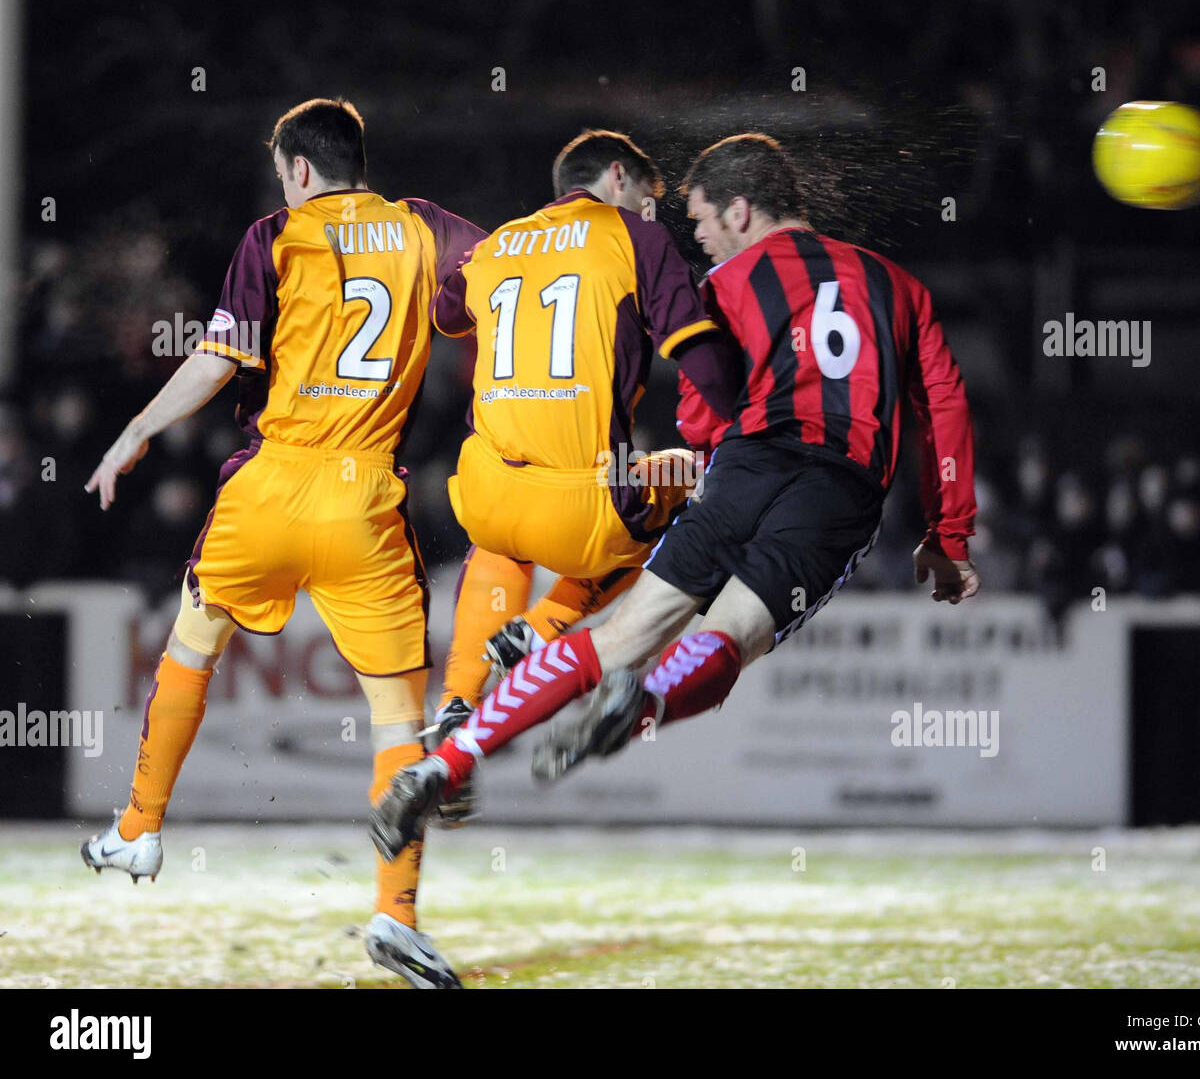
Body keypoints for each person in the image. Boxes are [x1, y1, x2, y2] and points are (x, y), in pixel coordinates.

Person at [371, 132, 978, 862]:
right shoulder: (898, 285)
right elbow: (942, 398)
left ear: (741, 210)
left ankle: (447, 761)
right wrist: (948, 533)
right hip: (837, 486)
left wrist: (703, 455)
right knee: (730, 638)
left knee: (621, 633)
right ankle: (647, 703)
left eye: (700, 221)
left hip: (741, 460)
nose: (693, 235)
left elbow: (699, 414)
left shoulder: (723, 288)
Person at [80, 98, 482, 989]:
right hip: (366, 497)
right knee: (396, 722)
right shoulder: (424, 229)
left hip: (269, 486)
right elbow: (504, 295)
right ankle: (397, 914)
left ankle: (140, 829)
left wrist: (135, 431)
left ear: (298, 170)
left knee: (189, 650)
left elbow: (220, 357)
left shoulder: (275, 236)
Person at [423, 130, 740, 742]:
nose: (655, 211)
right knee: (685, 475)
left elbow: (447, 312)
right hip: (585, 510)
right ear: (617, 177)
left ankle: (458, 701)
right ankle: (541, 628)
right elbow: (694, 349)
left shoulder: (499, 244)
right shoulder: (636, 236)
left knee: (500, 536)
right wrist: (742, 421)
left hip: (488, 496)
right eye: (649, 196)